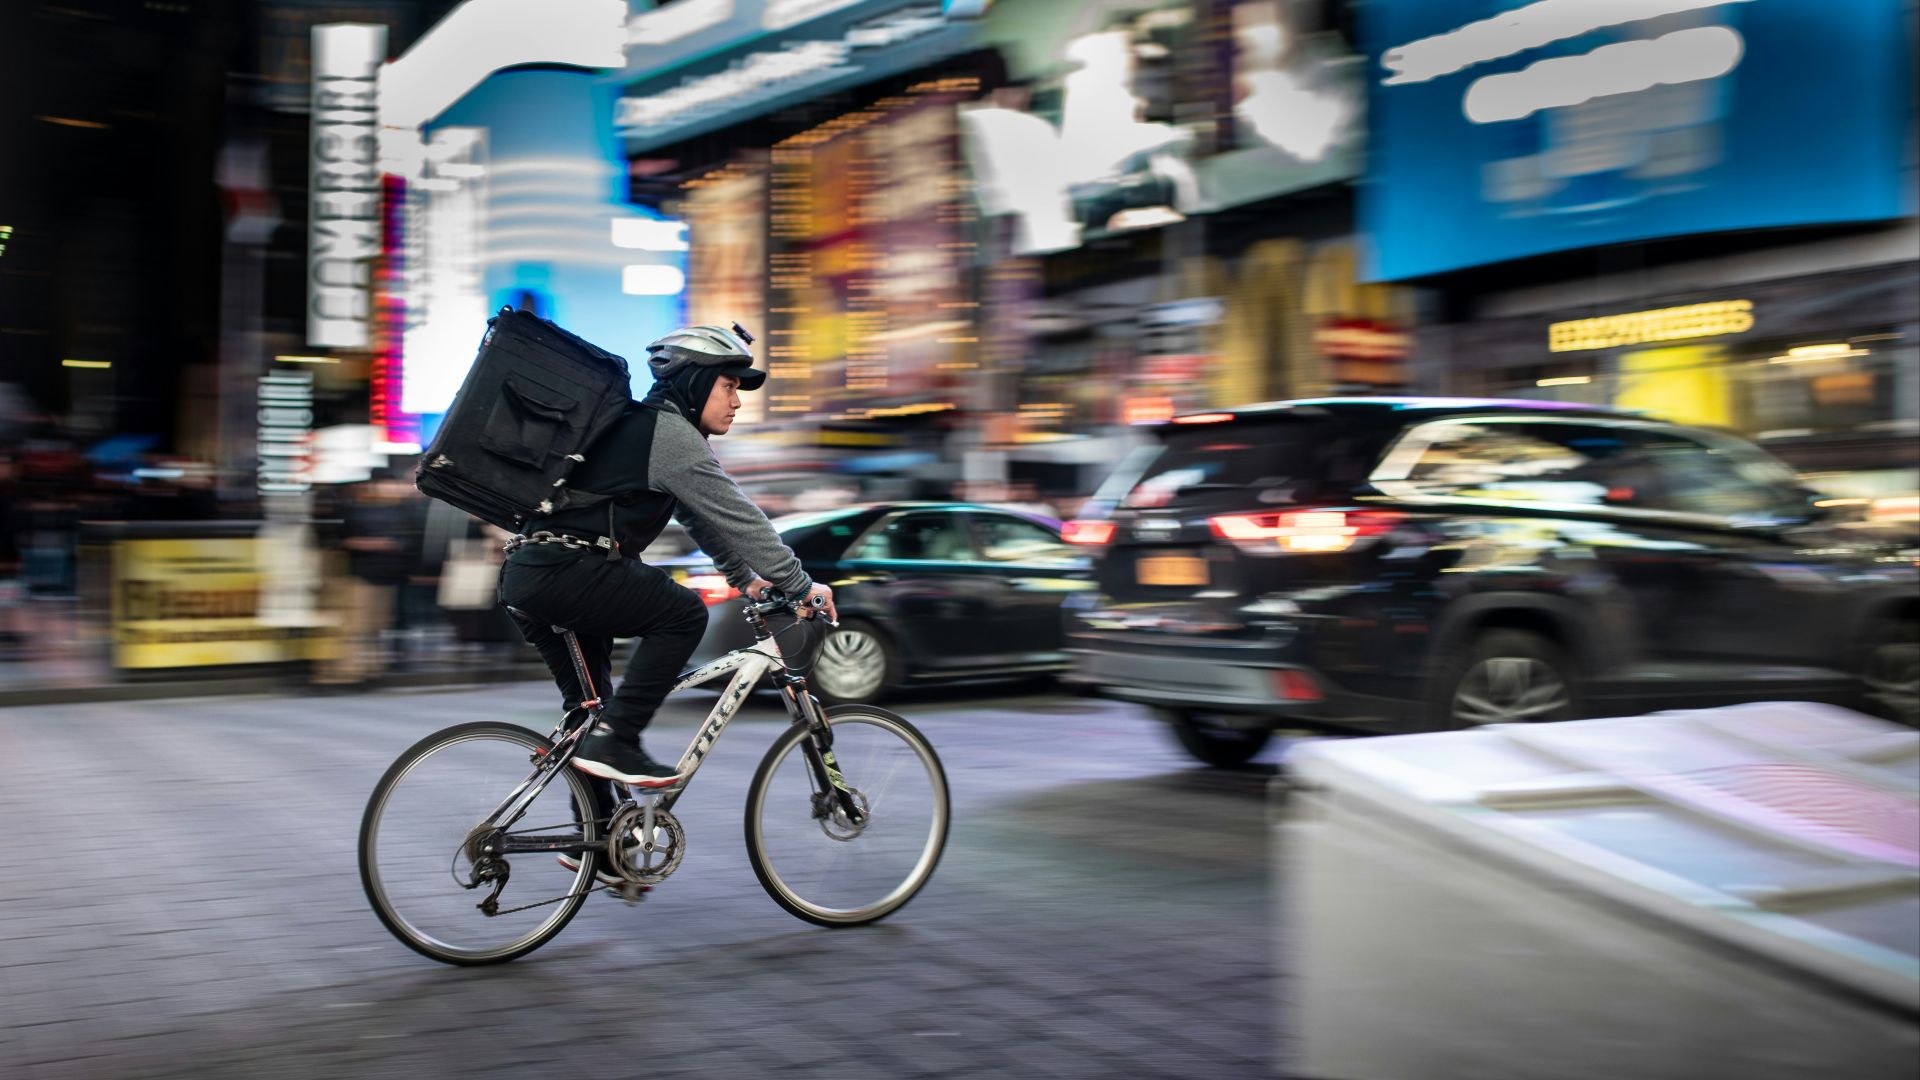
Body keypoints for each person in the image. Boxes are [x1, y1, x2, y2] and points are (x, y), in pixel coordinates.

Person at [497, 324, 836, 789]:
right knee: (682, 614)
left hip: (531, 574)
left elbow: (699, 519)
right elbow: (740, 517)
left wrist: (744, 578)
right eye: (729, 386)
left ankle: (592, 848)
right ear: (696, 381)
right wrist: (801, 585)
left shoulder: (644, 429)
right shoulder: (670, 435)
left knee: (590, 714)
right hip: (570, 572)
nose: (737, 401)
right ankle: (620, 740)